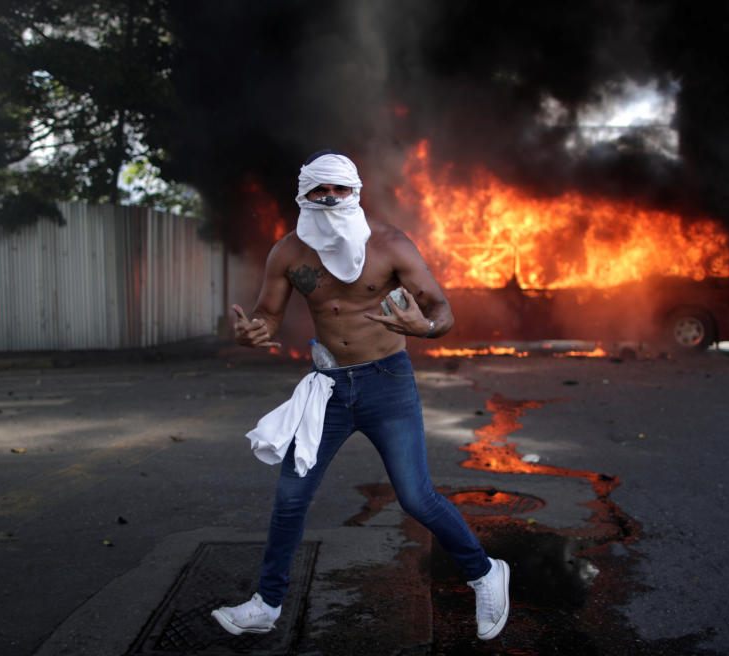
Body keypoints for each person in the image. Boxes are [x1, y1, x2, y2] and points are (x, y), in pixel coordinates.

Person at [211, 150, 510, 641]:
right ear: (303, 196)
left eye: (339, 190)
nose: (328, 198)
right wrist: (253, 333)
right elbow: (266, 314)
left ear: (355, 194)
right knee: (290, 499)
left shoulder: (390, 244)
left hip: (386, 382)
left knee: (416, 496)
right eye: (318, 190)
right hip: (326, 389)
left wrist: (426, 326)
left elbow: (441, 307)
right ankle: (266, 604)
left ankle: (485, 573)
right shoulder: (287, 252)